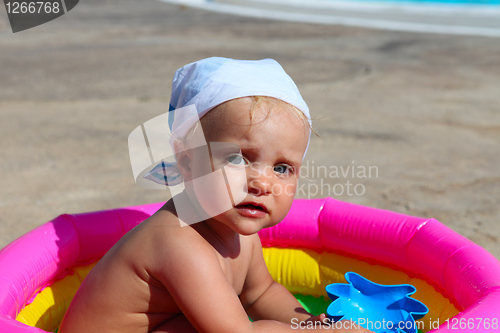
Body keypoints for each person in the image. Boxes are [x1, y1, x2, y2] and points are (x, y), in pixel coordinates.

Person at [58, 57, 372, 333]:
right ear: (187, 162)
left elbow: (260, 293)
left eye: (282, 168)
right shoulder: (178, 242)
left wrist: (305, 322)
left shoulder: (239, 227)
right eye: (237, 159)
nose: (261, 183)